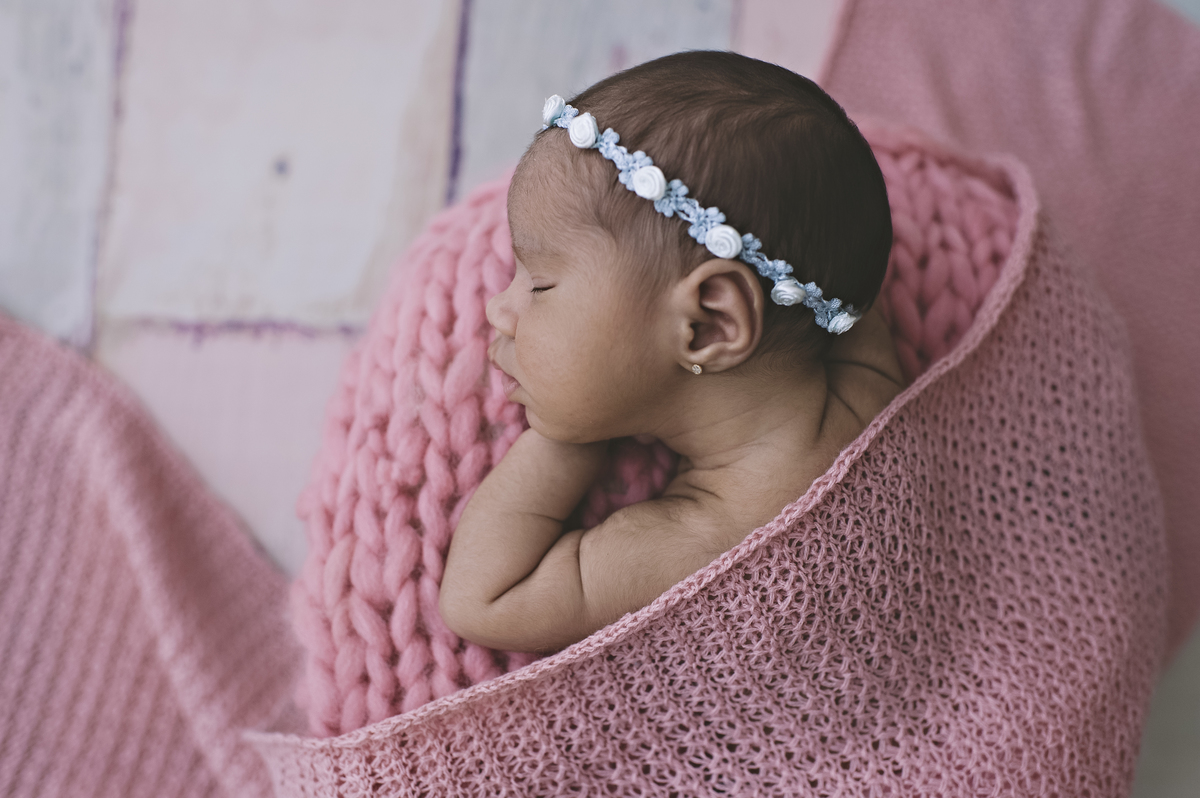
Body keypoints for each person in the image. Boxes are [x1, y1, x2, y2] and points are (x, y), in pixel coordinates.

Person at [439, 51, 903, 653]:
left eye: (542, 285)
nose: (498, 310)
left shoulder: (693, 545)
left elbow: (482, 602)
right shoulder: (874, 392)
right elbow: (840, 289)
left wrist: (566, 440)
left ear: (709, 324)